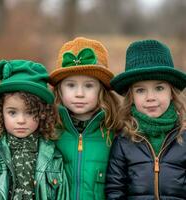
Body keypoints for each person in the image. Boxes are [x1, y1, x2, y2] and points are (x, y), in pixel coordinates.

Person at [0, 59, 69, 200]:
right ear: (1, 113)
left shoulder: (53, 157)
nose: (21, 121)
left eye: (30, 112)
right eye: (12, 113)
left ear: (42, 113)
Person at [105, 39, 186, 199]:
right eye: (141, 90)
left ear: (171, 92)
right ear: (131, 96)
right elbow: (115, 189)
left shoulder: (183, 135)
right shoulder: (123, 140)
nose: (150, 97)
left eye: (159, 88)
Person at [49, 37, 120, 200]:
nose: (79, 93)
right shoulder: (49, 131)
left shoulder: (114, 134)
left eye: (88, 85)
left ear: (101, 90)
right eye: (71, 85)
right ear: (59, 90)